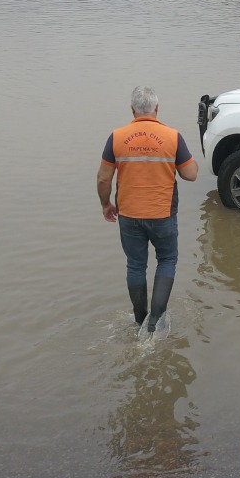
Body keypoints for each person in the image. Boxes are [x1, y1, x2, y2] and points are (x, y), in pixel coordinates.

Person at [97, 86, 198, 332]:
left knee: (135, 264)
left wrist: (105, 204)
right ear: (157, 109)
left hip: (129, 214)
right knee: (167, 260)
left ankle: (140, 319)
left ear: (132, 110)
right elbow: (191, 174)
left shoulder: (116, 137)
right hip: (162, 214)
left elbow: (103, 179)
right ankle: (156, 321)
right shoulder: (173, 136)